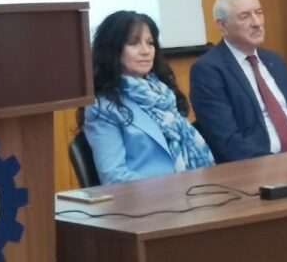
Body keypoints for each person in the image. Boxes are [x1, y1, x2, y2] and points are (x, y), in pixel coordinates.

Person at [189, 0, 287, 163]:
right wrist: (277, 165)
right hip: (259, 167)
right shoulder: (208, 70)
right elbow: (227, 142)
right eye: (245, 16)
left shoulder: (275, 61)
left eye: (259, 13)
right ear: (222, 25)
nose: (257, 22)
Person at [79, 11, 214, 183]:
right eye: (133, 43)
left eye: (150, 43)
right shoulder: (102, 108)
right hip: (151, 196)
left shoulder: (164, 95)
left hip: (194, 187)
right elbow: (114, 177)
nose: (146, 51)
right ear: (113, 50)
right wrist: (173, 190)